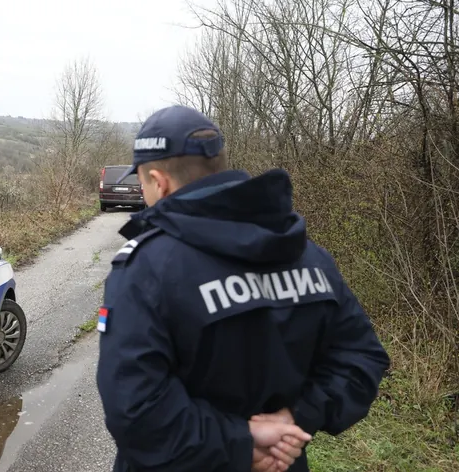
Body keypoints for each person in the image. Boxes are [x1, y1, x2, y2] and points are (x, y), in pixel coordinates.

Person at [95, 105, 391, 472]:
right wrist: (295, 418)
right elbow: (362, 358)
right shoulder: (308, 254)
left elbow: (134, 410)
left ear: (160, 180)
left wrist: (242, 442)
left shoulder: (146, 268)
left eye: (141, 182)